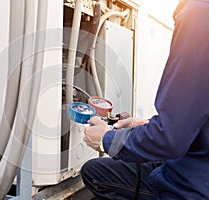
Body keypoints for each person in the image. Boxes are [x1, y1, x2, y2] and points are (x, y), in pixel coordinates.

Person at [81, 0, 209, 199]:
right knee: (95, 170)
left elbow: (169, 138)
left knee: (95, 175)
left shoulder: (199, 14)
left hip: (192, 185)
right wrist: (148, 125)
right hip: (197, 167)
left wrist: (106, 139)